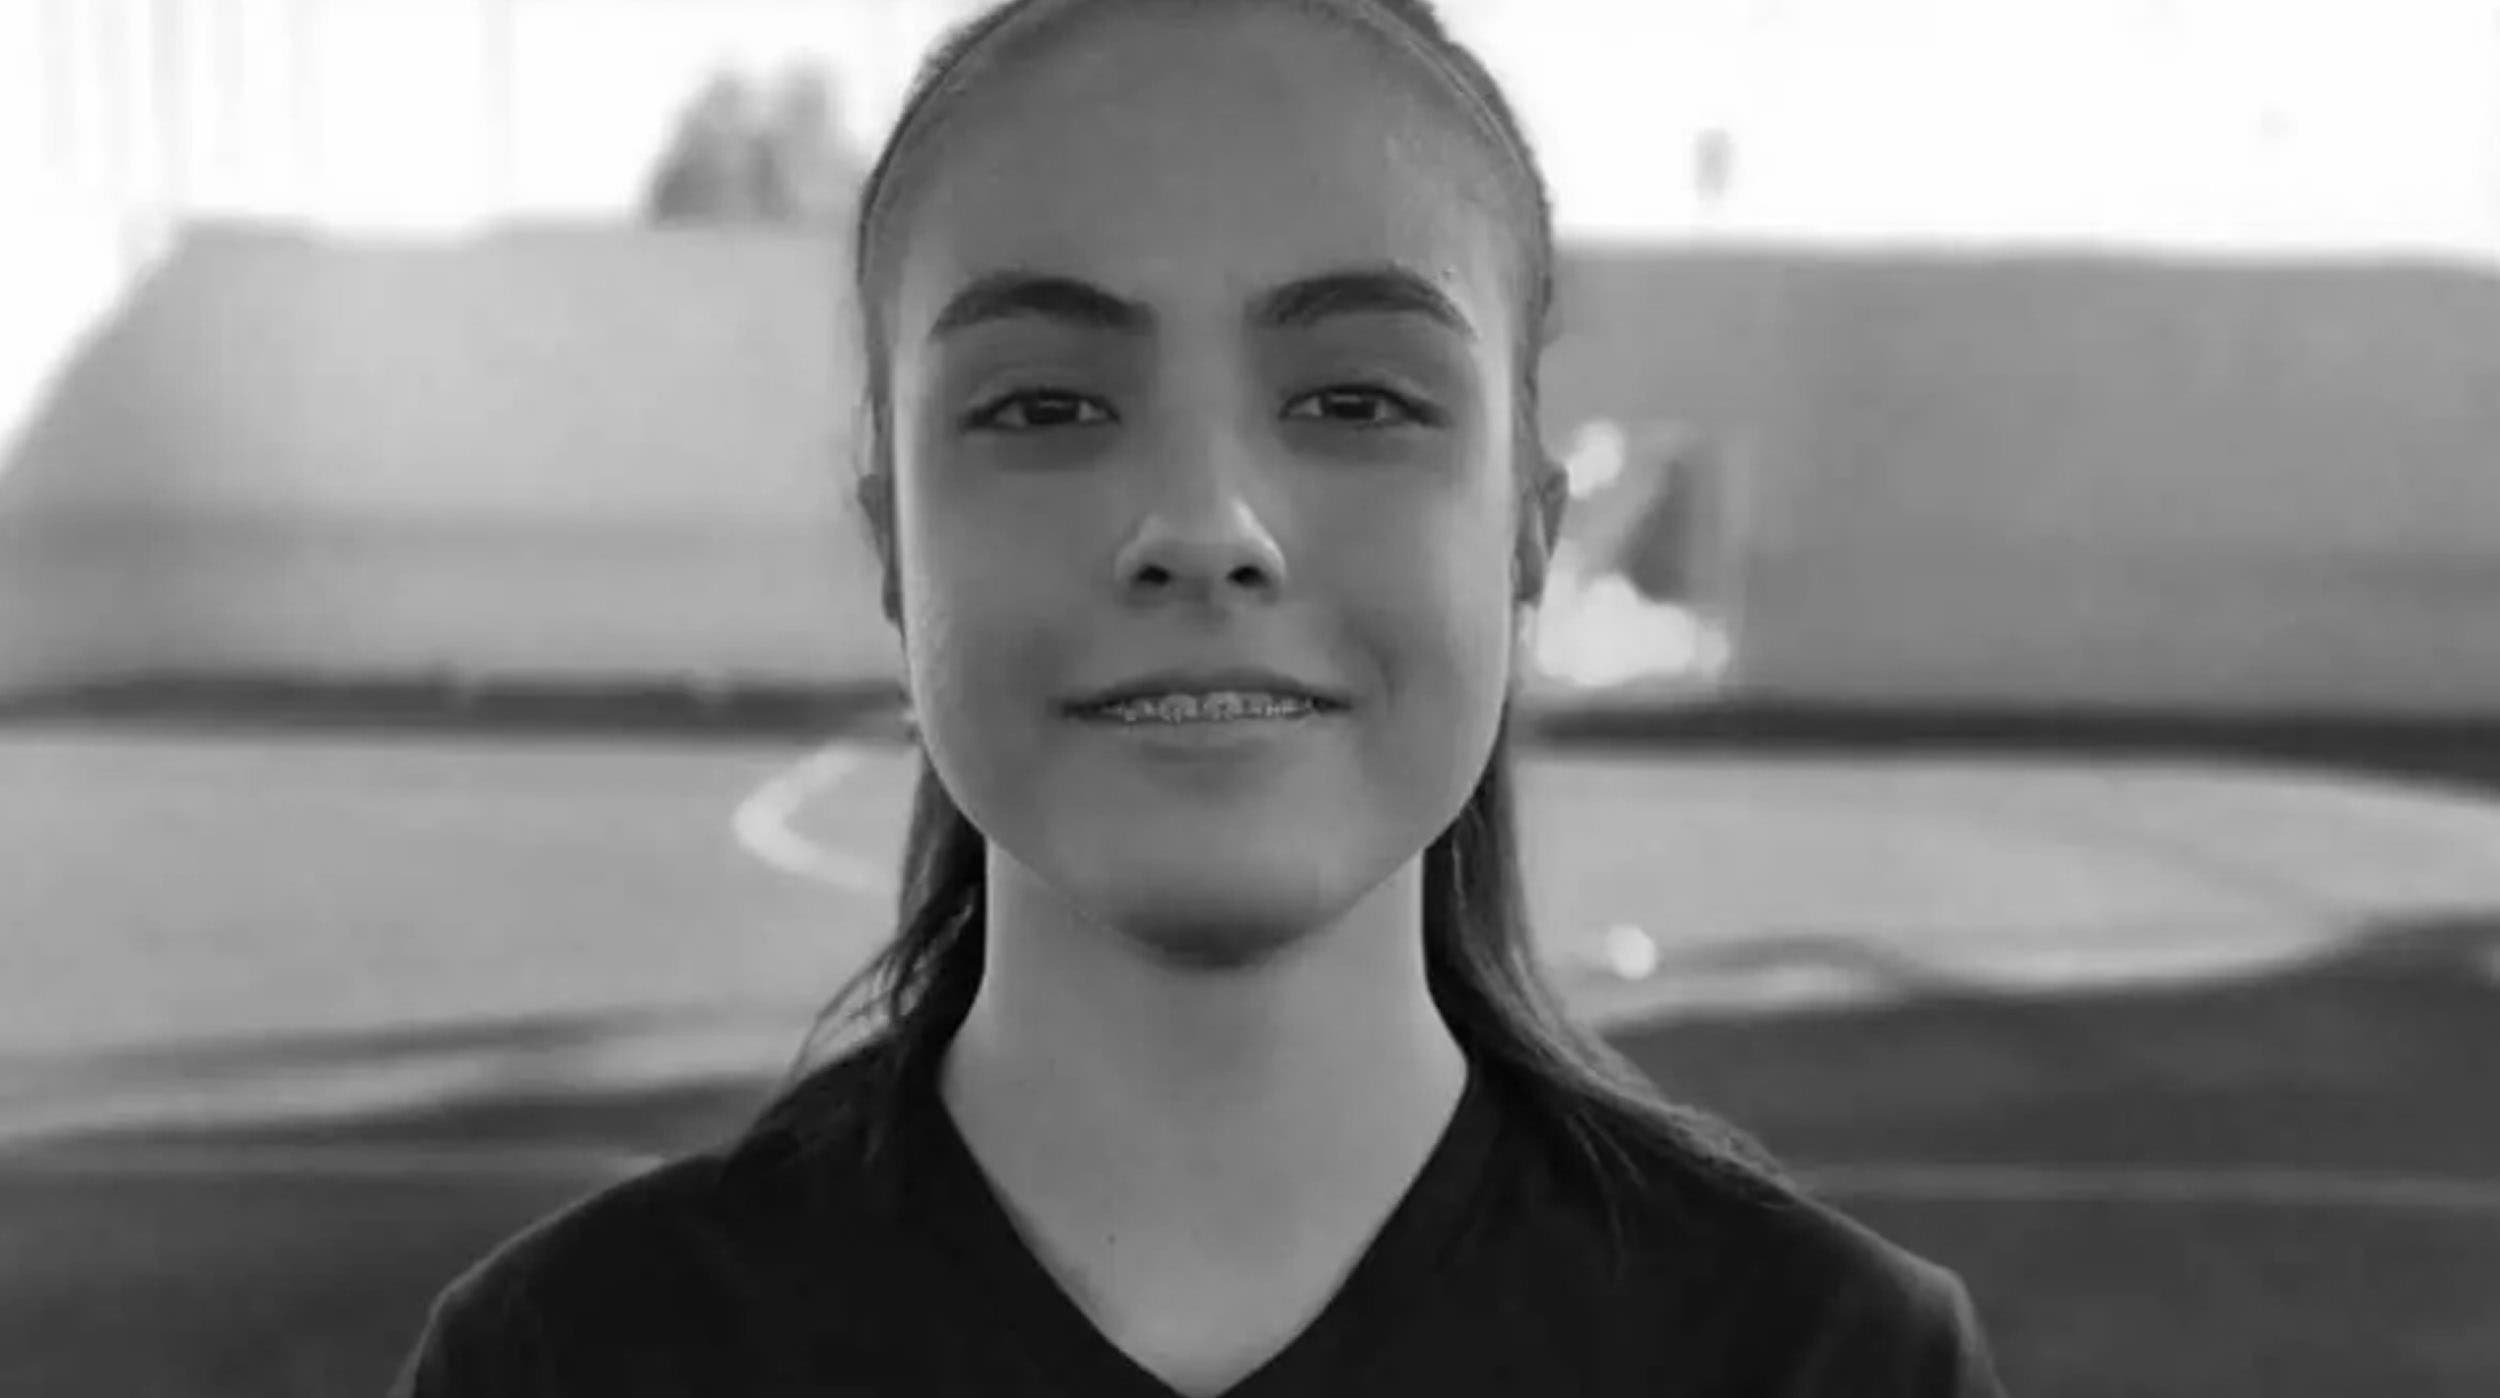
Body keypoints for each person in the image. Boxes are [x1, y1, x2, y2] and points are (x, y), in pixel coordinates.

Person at [394, 1, 2008, 1393]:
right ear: (894, 543)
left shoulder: (1829, 1362)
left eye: (1356, 398)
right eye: (1044, 406)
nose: (1204, 525)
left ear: (1527, 532)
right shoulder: (571, 1359)